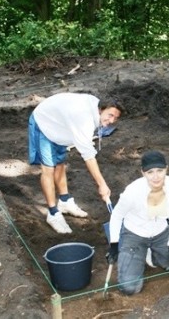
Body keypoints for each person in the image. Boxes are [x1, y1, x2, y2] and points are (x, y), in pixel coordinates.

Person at [106, 150, 169, 295]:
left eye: (160, 170)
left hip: (161, 233)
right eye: (150, 172)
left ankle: (158, 254)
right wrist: (114, 245)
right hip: (134, 235)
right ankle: (140, 256)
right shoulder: (132, 192)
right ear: (143, 173)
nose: (156, 176)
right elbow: (116, 215)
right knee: (129, 288)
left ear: (166, 169)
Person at [28, 93, 124, 234]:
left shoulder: (95, 109)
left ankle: (65, 201)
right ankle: (53, 213)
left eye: (115, 118)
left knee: (60, 164)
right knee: (48, 169)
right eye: (110, 115)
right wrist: (102, 185)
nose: (112, 120)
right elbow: (88, 156)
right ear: (101, 109)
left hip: (61, 126)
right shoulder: (83, 119)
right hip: (44, 123)